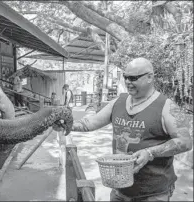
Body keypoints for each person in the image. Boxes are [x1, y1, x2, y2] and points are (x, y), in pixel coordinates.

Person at [70, 57, 192, 201]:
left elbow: (185, 141)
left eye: (133, 78)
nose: (128, 82)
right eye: (126, 77)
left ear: (150, 77)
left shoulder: (167, 106)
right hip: (119, 190)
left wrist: (150, 152)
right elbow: (90, 123)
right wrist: (68, 125)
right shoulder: (118, 102)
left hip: (153, 194)